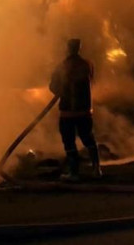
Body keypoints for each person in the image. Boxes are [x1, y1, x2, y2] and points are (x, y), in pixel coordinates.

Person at [49, 38, 102, 181]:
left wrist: (62, 90)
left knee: (69, 141)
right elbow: (91, 80)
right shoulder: (88, 65)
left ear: (67, 48)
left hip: (68, 112)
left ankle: (74, 173)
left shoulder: (62, 66)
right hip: (85, 110)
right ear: (79, 48)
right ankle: (97, 169)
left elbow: (53, 86)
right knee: (88, 138)